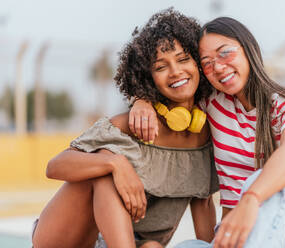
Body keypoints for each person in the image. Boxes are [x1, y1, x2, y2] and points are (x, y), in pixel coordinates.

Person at [130, 16, 285, 248]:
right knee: (189, 246)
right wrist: (141, 101)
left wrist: (250, 199)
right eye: (207, 62)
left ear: (248, 49)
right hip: (233, 241)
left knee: (272, 188)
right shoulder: (212, 104)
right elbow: (172, 89)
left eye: (225, 53)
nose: (218, 67)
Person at [31, 9, 219, 248]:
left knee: (152, 247)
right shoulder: (131, 123)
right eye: (161, 67)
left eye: (183, 60)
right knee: (105, 161)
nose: (175, 71)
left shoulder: (207, 135)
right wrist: (115, 164)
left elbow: (202, 203)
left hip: (143, 242)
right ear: (148, 78)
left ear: (199, 64)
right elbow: (54, 167)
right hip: (73, 238)